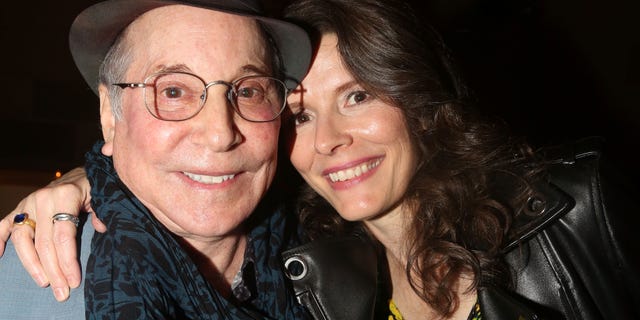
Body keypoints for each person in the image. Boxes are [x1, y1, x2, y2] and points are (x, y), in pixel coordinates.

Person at [3, 0, 639, 319]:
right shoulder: (320, 262)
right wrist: (92, 177)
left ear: (417, 99)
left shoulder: (586, 207)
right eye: (302, 114)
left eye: (358, 95)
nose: (330, 138)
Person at [0, 0, 314, 318]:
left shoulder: (332, 265)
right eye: (174, 91)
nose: (220, 135)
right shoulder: (14, 293)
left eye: (248, 92)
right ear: (110, 115)